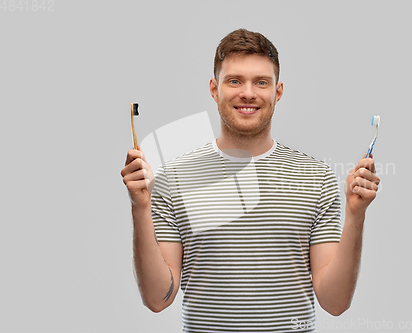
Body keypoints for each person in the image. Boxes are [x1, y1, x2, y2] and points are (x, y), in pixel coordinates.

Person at [121, 28, 380, 332]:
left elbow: (335, 303)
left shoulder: (316, 178)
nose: (248, 93)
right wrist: (140, 207)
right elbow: (157, 299)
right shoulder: (173, 178)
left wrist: (355, 215)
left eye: (261, 82)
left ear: (278, 92)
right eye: (235, 81)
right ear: (214, 89)